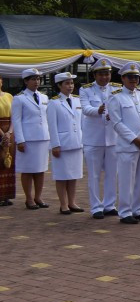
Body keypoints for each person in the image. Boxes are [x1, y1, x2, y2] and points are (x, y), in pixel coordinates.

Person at [108, 62, 140, 224]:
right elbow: (117, 123)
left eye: (136, 77)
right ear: (122, 78)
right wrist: (135, 139)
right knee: (127, 180)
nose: (133, 80)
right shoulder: (116, 97)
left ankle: (138, 209)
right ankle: (125, 211)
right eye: (130, 77)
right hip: (128, 145)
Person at [80, 59, 120, 217]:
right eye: (101, 74)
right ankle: (96, 207)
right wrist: (99, 109)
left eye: (107, 73)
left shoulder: (117, 89)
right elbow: (85, 108)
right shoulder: (86, 90)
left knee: (112, 173)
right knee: (94, 174)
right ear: (95, 75)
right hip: (93, 139)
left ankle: (109, 205)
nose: (105, 77)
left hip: (112, 138)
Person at [46, 71, 85, 214]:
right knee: (62, 176)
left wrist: (84, 140)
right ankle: (63, 204)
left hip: (77, 142)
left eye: (72, 83)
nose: (70, 86)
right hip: (62, 144)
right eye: (67, 83)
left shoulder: (77, 100)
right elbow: (52, 125)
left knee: (74, 175)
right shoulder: (54, 102)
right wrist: (55, 144)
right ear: (59, 85)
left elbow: (82, 123)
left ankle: (72, 202)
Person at [12, 68, 50, 209]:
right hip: (28, 139)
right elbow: (16, 121)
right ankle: (29, 198)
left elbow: (47, 118)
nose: (36, 82)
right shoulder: (19, 98)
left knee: (40, 169)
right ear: (26, 81)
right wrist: (20, 140)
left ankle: (38, 197)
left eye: (38, 79)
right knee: (28, 170)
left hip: (43, 138)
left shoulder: (44, 97)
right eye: (33, 79)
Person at [0, 76, 15, 207]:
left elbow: (14, 116)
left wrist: (9, 132)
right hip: (1, 131)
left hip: (9, 131)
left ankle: (6, 195)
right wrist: (2, 134)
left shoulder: (9, 96)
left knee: (8, 163)